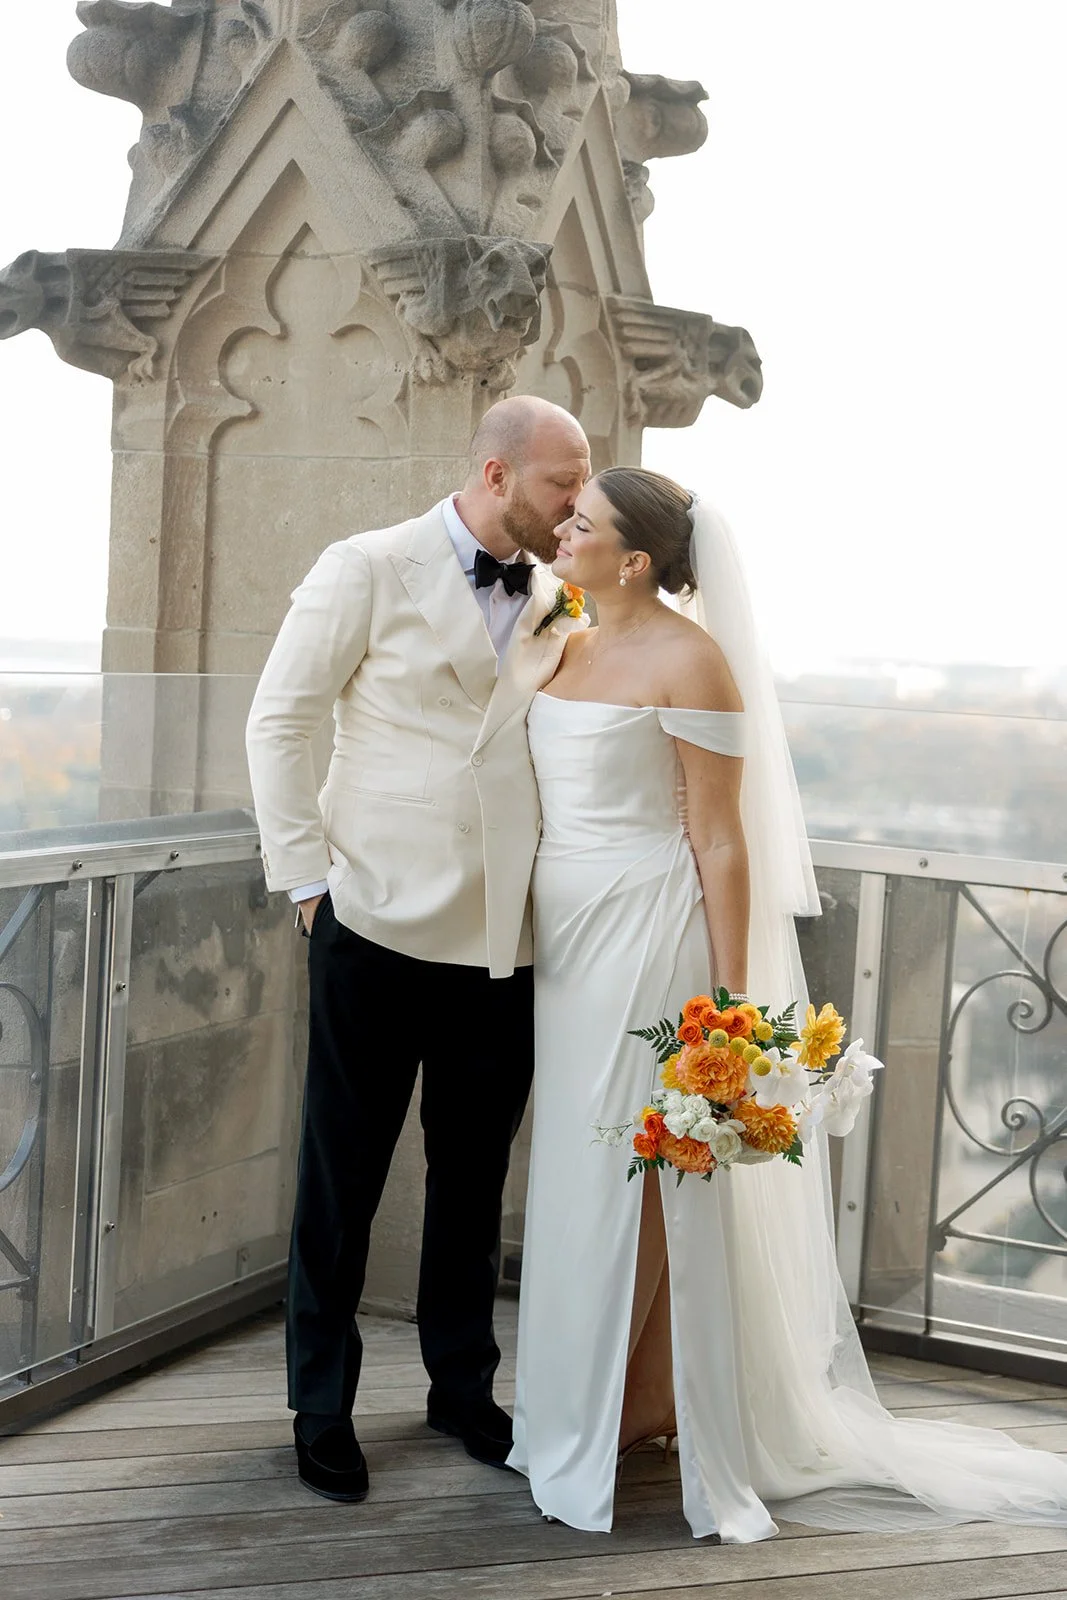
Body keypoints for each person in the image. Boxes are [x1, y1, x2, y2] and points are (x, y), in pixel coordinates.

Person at [508, 465, 1067, 1542]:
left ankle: (619, 1407)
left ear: (634, 559)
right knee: (583, 1173)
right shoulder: (565, 641)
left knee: (636, 1173)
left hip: (647, 934)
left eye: (582, 521)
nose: (562, 528)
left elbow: (720, 837)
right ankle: (629, 1398)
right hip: (568, 948)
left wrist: (727, 1005)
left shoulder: (691, 659)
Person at [245, 395, 590, 1502]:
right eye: (561, 481)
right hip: (373, 923)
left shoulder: (557, 594)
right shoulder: (364, 565)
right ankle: (320, 1405)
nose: (576, 502)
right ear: (496, 474)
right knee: (339, 1178)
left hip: (505, 939)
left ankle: (460, 1387)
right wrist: (308, 885)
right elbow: (279, 721)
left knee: (474, 1181)